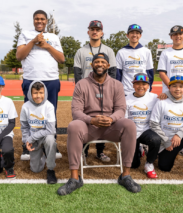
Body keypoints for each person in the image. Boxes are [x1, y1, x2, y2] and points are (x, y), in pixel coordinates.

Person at [57, 53, 140, 195]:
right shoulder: (81, 84)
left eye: (103, 62)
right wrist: (91, 120)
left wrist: (112, 118)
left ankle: (125, 175)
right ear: (92, 65)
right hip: (89, 126)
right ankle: (75, 179)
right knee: (74, 126)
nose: (100, 64)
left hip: (110, 126)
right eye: (97, 62)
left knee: (129, 125)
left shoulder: (117, 85)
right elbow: (76, 111)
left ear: (108, 65)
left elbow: (121, 109)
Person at [16, 10, 65, 160]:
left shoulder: (53, 37)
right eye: (37, 19)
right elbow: (19, 56)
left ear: (46, 21)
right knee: (30, 113)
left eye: (42, 19)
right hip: (31, 79)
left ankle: (51, 144)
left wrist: (46, 46)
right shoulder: (25, 34)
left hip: (50, 79)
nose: (39, 21)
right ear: (33, 20)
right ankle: (27, 145)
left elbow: (62, 59)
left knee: (51, 113)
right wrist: (33, 41)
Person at [73, 20, 117, 162]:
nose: (95, 31)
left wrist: (110, 89)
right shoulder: (81, 51)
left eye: (97, 29)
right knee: (85, 119)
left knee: (103, 117)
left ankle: (100, 151)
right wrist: (81, 89)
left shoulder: (109, 51)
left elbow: (113, 72)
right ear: (88, 32)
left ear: (102, 33)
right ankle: (84, 152)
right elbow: (77, 72)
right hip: (86, 91)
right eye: (92, 29)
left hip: (104, 89)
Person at [157, 25, 183, 158]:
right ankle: (163, 142)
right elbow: (162, 73)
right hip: (169, 91)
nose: (177, 37)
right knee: (166, 116)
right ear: (171, 37)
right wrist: (171, 87)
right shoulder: (166, 53)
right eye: (174, 35)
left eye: (180, 34)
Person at [20, 81, 58, 184]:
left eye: (41, 92)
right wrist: (26, 141)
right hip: (33, 139)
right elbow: (24, 127)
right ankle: (44, 155)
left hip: (45, 136)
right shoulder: (25, 107)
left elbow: (51, 130)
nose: (38, 96)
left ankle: (50, 168)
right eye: (35, 93)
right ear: (30, 94)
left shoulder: (49, 106)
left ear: (45, 92)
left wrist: (31, 138)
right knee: (35, 169)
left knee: (51, 140)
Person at [125, 73, 161, 178]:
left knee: (156, 139)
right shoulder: (127, 99)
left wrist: (166, 94)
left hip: (147, 130)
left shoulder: (154, 97)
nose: (141, 86)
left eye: (144, 84)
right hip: (132, 132)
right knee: (134, 165)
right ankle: (140, 149)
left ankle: (149, 164)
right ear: (133, 85)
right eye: (137, 84)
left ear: (148, 85)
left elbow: (167, 102)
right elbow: (125, 119)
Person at [116, 24, 154, 95]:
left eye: (137, 33)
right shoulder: (121, 52)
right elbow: (118, 73)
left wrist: (148, 88)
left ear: (140, 35)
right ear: (127, 35)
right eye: (132, 33)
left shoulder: (146, 51)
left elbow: (150, 72)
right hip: (126, 91)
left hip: (142, 91)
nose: (134, 35)